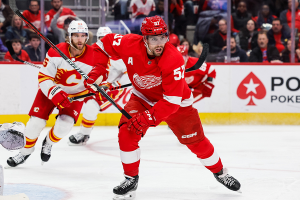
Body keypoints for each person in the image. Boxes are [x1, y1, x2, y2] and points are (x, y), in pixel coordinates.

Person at [85, 15, 241, 200]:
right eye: (154, 39)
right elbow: (103, 44)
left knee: (196, 143)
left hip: (177, 104)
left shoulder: (172, 58)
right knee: (126, 133)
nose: (160, 43)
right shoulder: (128, 43)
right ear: (144, 38)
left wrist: (146, 119)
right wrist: (99, 71)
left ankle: (221, 172)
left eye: (163, 37)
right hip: (142, 97)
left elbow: (171, 102)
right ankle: (130, 180)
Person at [6, 20, 107, 167]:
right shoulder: (56, 51)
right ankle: (25, 152)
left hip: (75, 96)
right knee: (35, 124)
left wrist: (98, 86)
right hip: (50, 92)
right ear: (69, 36)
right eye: (76, 36)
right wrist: (56, 93)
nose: (80, 39)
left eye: (83, 36)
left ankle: (48, 142)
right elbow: (44, 77)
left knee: (65, 125)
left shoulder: (94, 56)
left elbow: (102, 75)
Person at [68, 26, 130, 145]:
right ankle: (84, 130)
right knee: (83, 102)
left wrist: (116, 85)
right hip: (95, 86)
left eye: (106, 38)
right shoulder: (92, 51)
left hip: (111, 89)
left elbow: (128, 72)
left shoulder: (119, 54)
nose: (104, 40)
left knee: (92, 106)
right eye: (101, 38)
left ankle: (84, 135)